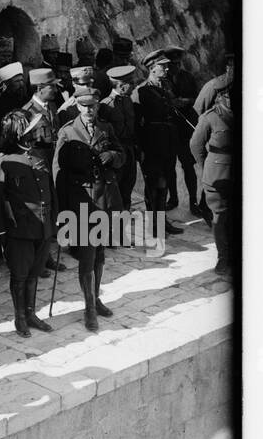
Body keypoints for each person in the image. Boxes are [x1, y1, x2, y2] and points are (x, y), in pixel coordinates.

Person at [0, 110, 57, 340]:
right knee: (20, 275)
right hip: (19, 230)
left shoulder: (38, 156)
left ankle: (31, 313)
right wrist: (0, 232)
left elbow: (50, 192)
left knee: (35, 273)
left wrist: (55, 221)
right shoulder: (3, 161)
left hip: (43, 227)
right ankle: (19, 317)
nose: (35, 133)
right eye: (29, 129)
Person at [55, 138, 113, 332]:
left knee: (99, 258)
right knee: (87, 261)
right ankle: (89, 307)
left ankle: (95, 299)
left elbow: (106, 189)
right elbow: (61, 199)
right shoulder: (65, 173)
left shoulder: (96, 161)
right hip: (79, 217)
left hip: (98, 214)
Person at [133, 51, 184, 248]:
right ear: (151, 68)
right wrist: (141, 148)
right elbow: (137, 123)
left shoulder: (164, 87)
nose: (167, 69)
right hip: (152, 145)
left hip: (167, 143)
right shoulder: (141, 91)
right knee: (154, 186)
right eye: (162, 66)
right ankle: (153, 226)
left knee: (165, 184)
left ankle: (162, 222)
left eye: (167, 66)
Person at [190, 85, 233, 275]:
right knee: (221, 217)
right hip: (218, 175)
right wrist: (207, 165)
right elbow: (196, 144)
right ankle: (223, 258)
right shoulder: (211, 116)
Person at [164, 48, 201, 215]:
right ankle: (173, 199)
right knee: (169, 166)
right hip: (170, 128)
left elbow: (197, 98)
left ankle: (193, 202)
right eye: (172, 64)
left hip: (186, 127)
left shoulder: (188, 77)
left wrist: (185, 101)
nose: (176, 66)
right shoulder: (162, 79)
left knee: (188, 166)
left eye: (178, 63)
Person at [101, 65, 139, 213]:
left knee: (128, 186)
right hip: (116, 153)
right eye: (132, 83)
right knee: (114, 191)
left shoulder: (128, 101)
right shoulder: (106, 105)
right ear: (122, 86)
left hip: (129, 151)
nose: (134, 86)